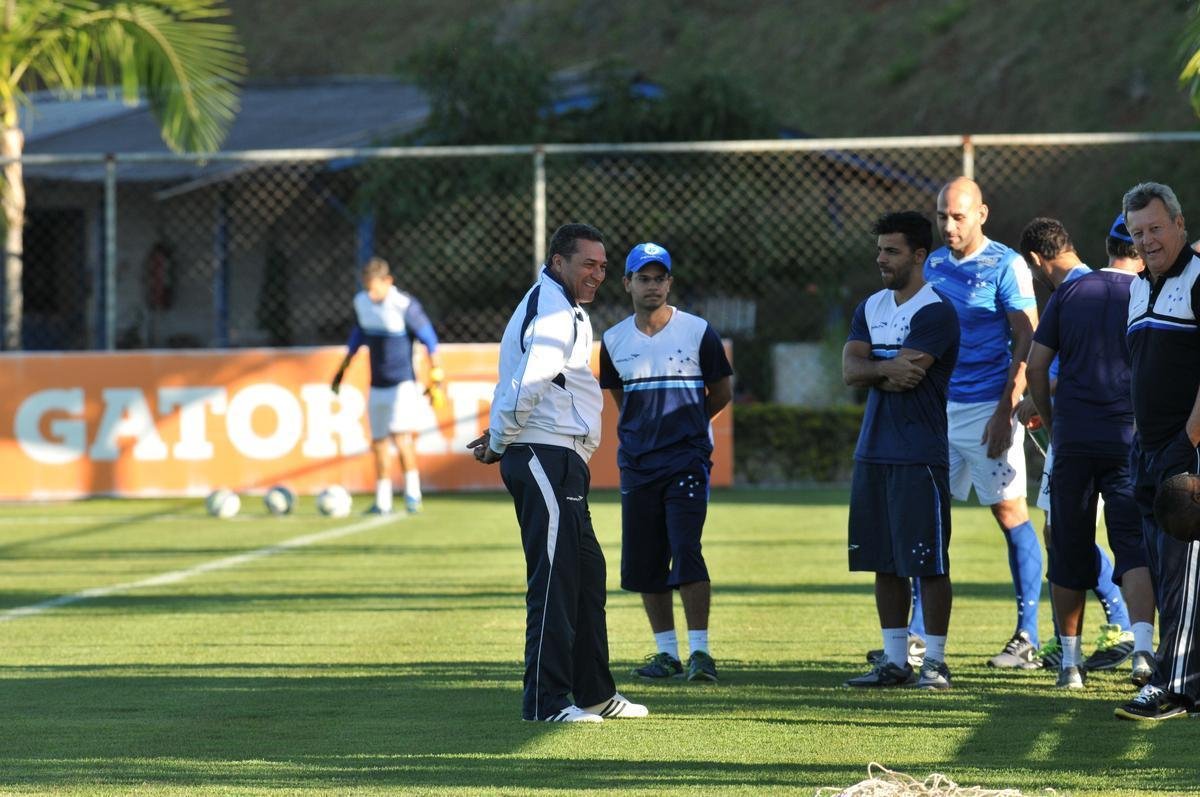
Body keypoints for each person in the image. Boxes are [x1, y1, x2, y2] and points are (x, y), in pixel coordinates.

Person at [467, 223, 647, 723]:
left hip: (560, 458)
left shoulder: (563, 307)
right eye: (588, 264)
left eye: (603, 266)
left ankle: (594, 694)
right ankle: (546, 702)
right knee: (555, 578)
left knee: (586, 575)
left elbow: (533, 383)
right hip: (544, 455)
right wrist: (500, 440)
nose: (598, 274)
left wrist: (500, 434)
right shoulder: (551, 308)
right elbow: (531, 381)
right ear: (558, 261)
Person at [1024, 216, 1154, 691]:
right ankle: (1143, 653)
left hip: (1074, 440)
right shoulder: (1147, 294)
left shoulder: (1071, 292)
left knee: (1067, 547)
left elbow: (1036, 366)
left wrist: (1051, 420)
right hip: (1128, 439)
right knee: (1132, 546)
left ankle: (1070, 664)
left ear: (1107, 245)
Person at [598, 242, 734, 683]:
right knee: (646, 560)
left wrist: (689, 426)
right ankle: (667, 653)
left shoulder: (697, 331)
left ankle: (701, 653)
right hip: (638, 465)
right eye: (644, 278)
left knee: (686, 549)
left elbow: (722, 392)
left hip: (686, 461)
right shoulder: (614, 341)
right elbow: (622, 400)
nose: (652, 286)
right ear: (627, 283)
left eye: (659, 278)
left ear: (670, 283)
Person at [923, 177, 1043, 668]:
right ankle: (918, 635)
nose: (949, 226)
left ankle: (1028, 635)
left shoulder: (1006, 265)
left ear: (982, 214)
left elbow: (1029, 338)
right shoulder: (931, 264)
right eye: (942, 216)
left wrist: (1004, 410)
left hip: (988, 409)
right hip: (938, 411)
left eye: (958, 216)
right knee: (927, 517)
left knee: (1010, 514)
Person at [843, 211, 960, 690]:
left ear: (918, 255)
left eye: (891, 251)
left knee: (928, 562)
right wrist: (883, 368)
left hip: (919, 454)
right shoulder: (870, 307)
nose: (881, 259)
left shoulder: (936, 311)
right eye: (879, 250)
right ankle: (894, 662)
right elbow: (851, 370)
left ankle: (935, 663)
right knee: (884, 561)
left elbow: (910, 374)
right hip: (873, 452)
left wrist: (875, 364)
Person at [1115, 182, 1200, 721]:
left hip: (1187, 454)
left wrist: (1187, 441)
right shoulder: (1136, 288)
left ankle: (1174, 686)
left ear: (1180, 224)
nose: (1147, 240)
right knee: (1168, 574)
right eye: (1137, 232)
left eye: (1155, 228)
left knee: (1184, 575)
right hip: (1148, 452)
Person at [331, 256, 443, 515]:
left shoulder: (404, 305)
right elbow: (358, 337)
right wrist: (341, 372)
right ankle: (383, 500)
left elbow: (429, 339)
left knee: (402, 438)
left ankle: (412, 494)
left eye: (374, 288)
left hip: (402, 384)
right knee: (379, 441)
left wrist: (436, 375)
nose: (371, 294)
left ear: (388, 281)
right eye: (366, 287)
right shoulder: (362, 303)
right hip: (377, 384)